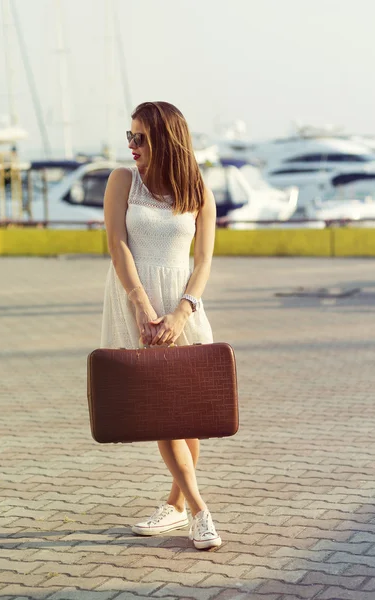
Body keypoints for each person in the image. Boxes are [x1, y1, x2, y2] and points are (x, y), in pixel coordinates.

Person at [100, 101, 221, 551]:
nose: (131, 145)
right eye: (129, 135)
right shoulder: (122, 181)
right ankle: (200, 510)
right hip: (137, 301)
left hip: (182, 306)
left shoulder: (196, 188)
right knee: (161, 412)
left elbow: (204, 260)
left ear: (167, 139)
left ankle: (174, 506)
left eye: (141, 137)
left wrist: (181, 311)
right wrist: (141, 308)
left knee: (186, 414)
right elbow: (117, 245)